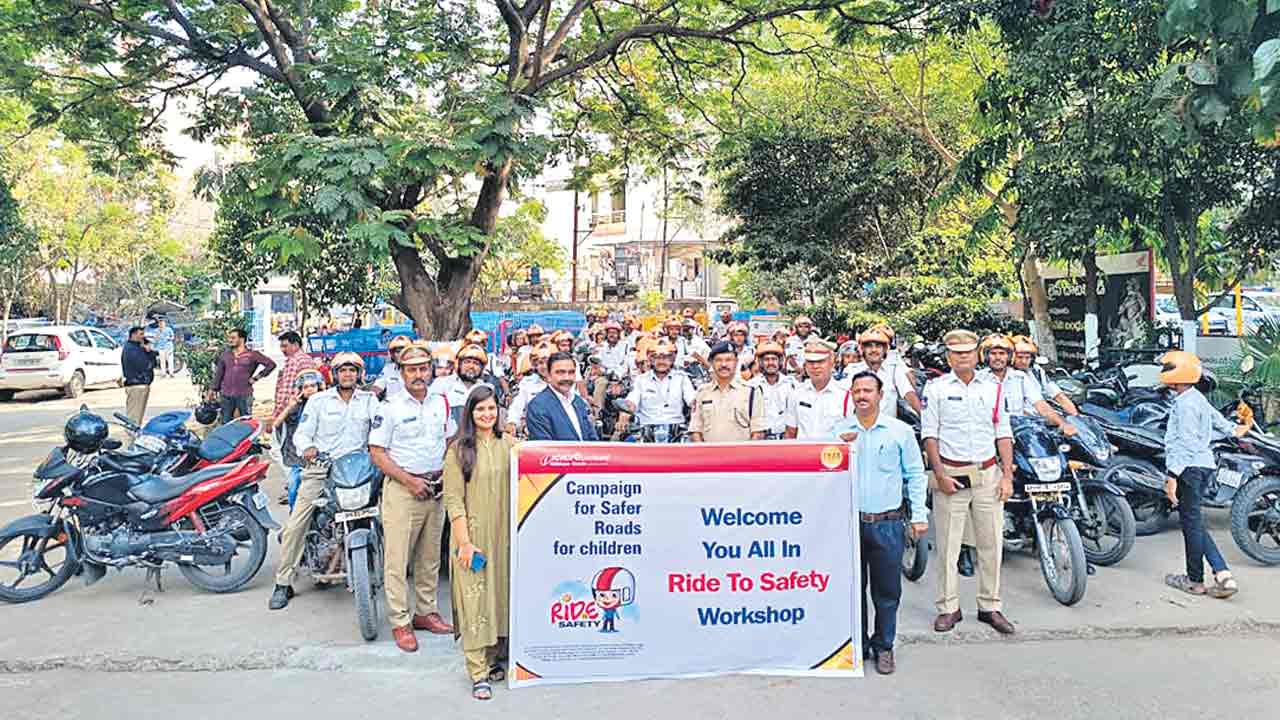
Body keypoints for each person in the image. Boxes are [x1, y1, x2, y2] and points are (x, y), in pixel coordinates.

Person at [832, 371, 927, 675]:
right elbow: (826, 475)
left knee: (886, 592)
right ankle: (857, 645)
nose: (862, 396)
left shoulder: (899, 432)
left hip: (888, 522)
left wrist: (920, 516)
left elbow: (915, 474)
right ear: (851, 395)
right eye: (857, 390)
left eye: (868, 391)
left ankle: (884, 646)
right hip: (850, 523)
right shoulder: (838, 431)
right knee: (852, 589)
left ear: (880, 395)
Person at [921, 329, 1016, 636]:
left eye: (968, 351)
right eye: (956, 352)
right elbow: (930, 436)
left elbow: (1003, 432)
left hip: (988, 475)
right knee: (948, 548)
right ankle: (949, 607)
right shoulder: (935, 389)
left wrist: (1007, 476)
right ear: (948, 356)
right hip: (952, 475)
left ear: (977, 354)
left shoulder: (992, 388)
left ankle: (990, 606)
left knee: (991, 544)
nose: (962, 356)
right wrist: (939, 475)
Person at [269, 352, 379, 611]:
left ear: (360, 374)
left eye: (353, 370)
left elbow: (380, 426)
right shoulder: (318, 401)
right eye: (343, 370)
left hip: (359, 469)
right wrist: (307, 448)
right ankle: (283, 582)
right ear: (335, 374)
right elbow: (303, 434)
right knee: (297, 521)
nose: (348, 374)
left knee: (392, 511)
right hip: (322, 468)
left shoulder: (370, 400)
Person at [368, 345, 457, 651]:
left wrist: (445, 473)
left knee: (430, 556)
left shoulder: (440, 403)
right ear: (402, 373)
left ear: (431, 369)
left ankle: (426, 612)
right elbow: (377, 453)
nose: (419, 374)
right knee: (397, 559)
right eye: (412, 369)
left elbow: (450, 440)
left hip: (436, 489)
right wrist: (409, 481)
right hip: (402, 491)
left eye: (423, 368)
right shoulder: (389, 407)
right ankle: (400, 621)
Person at [442, 386, 513, 700]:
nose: (487, 415)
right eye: (480, 409)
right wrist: (465, 543)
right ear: (469, 414)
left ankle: (496, 657)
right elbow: (454, 500)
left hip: (506, 537)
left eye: (492, 409)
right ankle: (478, 671)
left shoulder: (510, 445)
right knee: (474, 602)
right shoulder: (459, 450)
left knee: (501, 596)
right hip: (472, 538)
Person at [1160, 350, 1244, 599]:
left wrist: (1172, 476)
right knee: (1193, 521)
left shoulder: (1185, 405)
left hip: (1189, 468)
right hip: (1203, 465)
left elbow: (1185, 443)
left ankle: (1195, 580)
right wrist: (1235, 429)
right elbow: (1220, 422)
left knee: (1191, 525)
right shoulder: (1196, 398)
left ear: (1177, 373)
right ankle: (1222, 574)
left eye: (1167, 368)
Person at [978, 334, 1075, 436]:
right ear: (986, 356)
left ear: (1009, 356)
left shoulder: (1020, 377)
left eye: (1002, 353)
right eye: (993, 353)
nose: (998, 357)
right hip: (989, 433)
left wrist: (1064, 424)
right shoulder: (979, 378)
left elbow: (1041, 405)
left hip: (1020, 431)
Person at [688, 342, 765, 442]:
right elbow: (695, 430)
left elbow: (758, 432)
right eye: (718, 360)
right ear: (711, 363)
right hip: (710, 455)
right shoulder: (702, 392)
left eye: (729, 360)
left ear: (736, 362)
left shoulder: (752, 392)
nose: (723, 364)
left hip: (742, 456)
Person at [618, 340, 695, 440]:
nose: (661, 362)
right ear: (651, 360)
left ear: (672, 360)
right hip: (646, 428)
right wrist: (625, 412)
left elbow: (691, 398)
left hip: (676, 428)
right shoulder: (641, 379)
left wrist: (695, 404)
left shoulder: (681, 378)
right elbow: (632, 399)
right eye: (657, 358)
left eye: (666, 358)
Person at [272, 369, 324, 508]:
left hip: (324, 457)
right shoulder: (297, 408)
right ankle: (294, 513)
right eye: (305, 387)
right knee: (294, 486)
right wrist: (289, 407)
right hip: (300, 458)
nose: (310, 390)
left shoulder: (328, 404)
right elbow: (276, 424)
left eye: (313, 386)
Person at [784, 339, 850, 440]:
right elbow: (791, 432)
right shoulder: (796, 393)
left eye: (820, 361)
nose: (815, 366)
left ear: (832, 362)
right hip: (804, 453)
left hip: (832, 453)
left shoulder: (845, 395)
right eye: (810, 362)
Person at [208, 328, 276, 424]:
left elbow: (271, 365)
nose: (230, 340)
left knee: (246, 422)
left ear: (242, 339)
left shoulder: (252, 354)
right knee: (225, 423)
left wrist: (257, 377)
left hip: (244, 394)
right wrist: (212, 390)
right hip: (226, 395)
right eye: (229, 338)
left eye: (233, 338)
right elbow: (219, 374)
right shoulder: (225, 355)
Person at [525, 352, 598, 441]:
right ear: (548, 375)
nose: (566, 378)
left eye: (571, 372)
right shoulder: (537, 406)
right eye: (560, 372)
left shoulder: (579, 402)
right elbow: (544, 448)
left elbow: (592, 439)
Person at [852, 327, 921, 420]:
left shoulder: (894, 369)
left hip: (887, 429)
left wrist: (926, 418)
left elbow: (908, 393)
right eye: (869, 346)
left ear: (885, 349)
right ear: (863, 349)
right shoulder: (852, 370)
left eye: (878, 346)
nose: (873, 350)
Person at [1011, 335, 1079, 416]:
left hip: (1042, 419)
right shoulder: (1007, 375)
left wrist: (1076, 416)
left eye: (1027, 357)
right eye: (1020, 357)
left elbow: (1059, 396)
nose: (1024, 361)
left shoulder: (1036, 371)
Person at [431, 344, 495, 430]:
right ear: (459, 365)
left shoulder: (487, 388)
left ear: (482, 368)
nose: (471, 366)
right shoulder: (442, 383)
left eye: (476, 363)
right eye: (467, 362)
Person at [271, 330, 319, 431]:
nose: (282, 350)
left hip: (292, 409)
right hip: (305, 406)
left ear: (296, 345)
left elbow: (286, 390)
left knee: (289, 441)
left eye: (285, 346)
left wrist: (278, 413)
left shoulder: (294, 361)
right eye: (281, 346)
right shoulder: (308, 359)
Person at [748, 341, 796, 439]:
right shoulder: (752, 385)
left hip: (785, 439)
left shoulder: (791, 384)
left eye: (774, 359)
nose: (770, 363)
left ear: (780, 361)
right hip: (761, 440)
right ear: (760, 362)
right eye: (766, 359)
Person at [506, 342, 553, 435]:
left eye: (547, 362)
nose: (544, 366)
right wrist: (512, 422)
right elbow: (516, 406)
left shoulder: (564, 382)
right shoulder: (527, 383)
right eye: (540, 363)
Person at [121, 326, 158, 427]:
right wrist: (148, 353)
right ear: (133, 335)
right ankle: (130, 439)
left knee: (138, 418)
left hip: (142, 384)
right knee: (134, 418)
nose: (143, 337)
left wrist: (149, 351)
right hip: (136, 385)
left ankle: (133, 437)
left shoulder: (138, 348)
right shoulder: (131, 349)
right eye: (140, 334)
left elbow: (154, 363)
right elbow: (146, 365)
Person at [373, 335, 414, 400]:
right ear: (392, 354)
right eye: (398, 351)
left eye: (404, 351)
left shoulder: (418, 369)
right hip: (391, 407)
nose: (401, 354)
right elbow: (377, 388)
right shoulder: (388, 369)